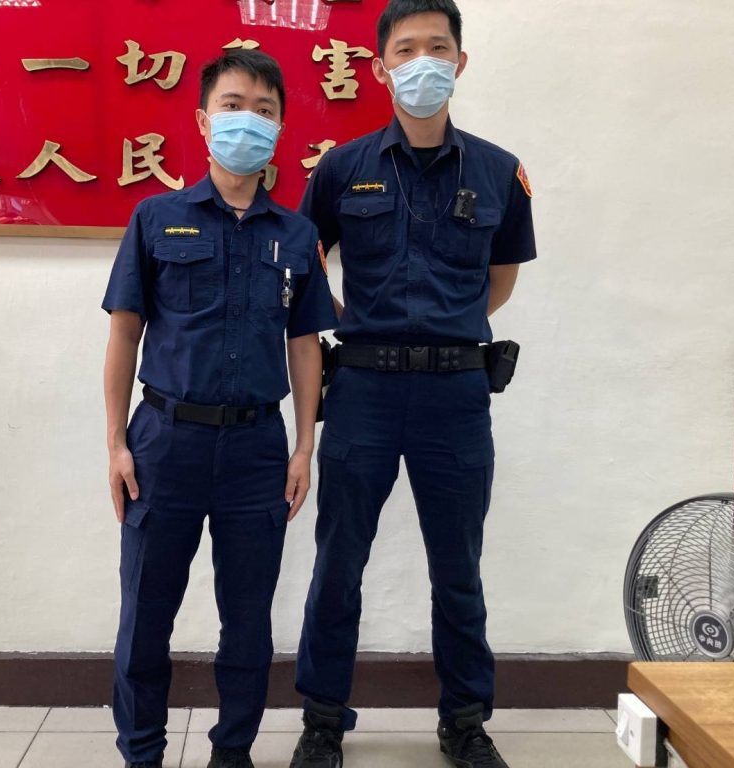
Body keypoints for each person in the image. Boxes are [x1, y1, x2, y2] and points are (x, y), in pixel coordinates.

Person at [288, 1, 536, 766]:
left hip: (455, 396)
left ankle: (464, 721)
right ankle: (322, 721)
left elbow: (500, 280)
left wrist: (448, 326)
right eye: (405, 49)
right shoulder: (343, 167)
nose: (422, 61)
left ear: (459, 62)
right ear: (380, 67)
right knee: (339, 564)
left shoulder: (498, 171)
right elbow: (304, 265)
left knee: (458, 569)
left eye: (437, 47)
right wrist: (355, 322)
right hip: (362, 390)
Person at [103, 49, 338, 768]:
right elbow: (124, 334)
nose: (248, 121)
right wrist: (116, 444)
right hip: (164, 443)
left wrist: (304, 448)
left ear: (280, 129)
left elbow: (305, 346)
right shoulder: (156, 218)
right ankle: (142, 753)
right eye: (233, 106)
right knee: (146, 615)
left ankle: (231, 751)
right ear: (204, 121)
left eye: (264, 111)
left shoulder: (296, 235)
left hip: (255, 451)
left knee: (248, 621)